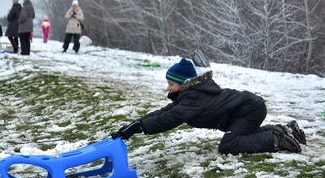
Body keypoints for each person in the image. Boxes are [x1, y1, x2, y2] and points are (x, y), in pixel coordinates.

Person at [111, 58, 307, 155]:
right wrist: (136, 125)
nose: (168, 88)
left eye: (171, 84)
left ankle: (276, 140)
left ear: (184, 82)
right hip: (247, 109)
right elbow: (166, 111)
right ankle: (285, 130)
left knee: (228, 145)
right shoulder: (190, 95)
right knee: (242, 136)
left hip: (249, 110)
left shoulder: (193, 98)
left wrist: (140, 128)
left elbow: (171, 118)